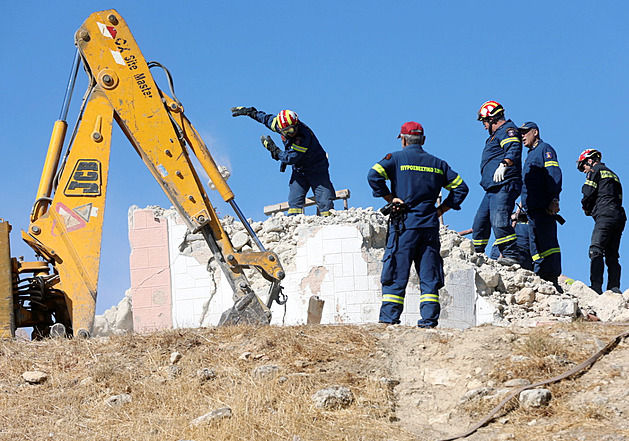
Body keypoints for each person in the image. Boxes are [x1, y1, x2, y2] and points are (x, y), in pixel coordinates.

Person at [367, 122, 468, 328]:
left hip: (404, 226)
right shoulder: (438, 164)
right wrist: (441, 210)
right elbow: (461, 188)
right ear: (423, 140)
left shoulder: (395, 159)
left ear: (403, 139)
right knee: (429, 275)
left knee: (396, 271)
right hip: (429, 226)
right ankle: (429, 322)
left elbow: (373, 175)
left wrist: (390, 198)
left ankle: (389, 320)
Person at [231, 107, 335, 216]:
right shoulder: (281, 125)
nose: (289, 134)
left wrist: (275, 150)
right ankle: (295, 223)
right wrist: (251, 113)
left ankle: (328, 222)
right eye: (285, 131)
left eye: (291, 130)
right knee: (294, 201)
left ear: (296, 124)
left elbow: (290, 158)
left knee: (325, 201)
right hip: (299, 170)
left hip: (316, 168)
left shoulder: (302, 137)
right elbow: (266, 119)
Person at [472, 100, 523, 266]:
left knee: (499, 220)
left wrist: (504, 164)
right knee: (480, 222)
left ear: (492, 119)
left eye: (485, 122)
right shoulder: (497, 134)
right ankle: (476, 253)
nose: (484, 127)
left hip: (504, 185)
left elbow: (514, 149)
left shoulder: (507, 131)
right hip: (492, 188)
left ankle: (510, 254)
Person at [519, 122, 563, 292]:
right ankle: (540, 275)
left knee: (547, 242)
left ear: (535, 132)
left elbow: (554, 175)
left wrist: (554, 199)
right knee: (535, 244)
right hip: (531, 208)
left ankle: (551, 277)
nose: (522, 136)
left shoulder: (545, 149)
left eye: (525, 133)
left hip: (543, 206)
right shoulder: (530, 155)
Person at [577, 149, 626, 294]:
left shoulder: (595, 170)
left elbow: (588, 192)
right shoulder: (614, 174)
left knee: (596, 250)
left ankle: (596, 288)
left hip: (605, 215)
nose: (584, 171)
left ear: (590, 160)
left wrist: (586, 206)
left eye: (583, 167)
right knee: (612, 255)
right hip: (619, 216)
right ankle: (614, 288)